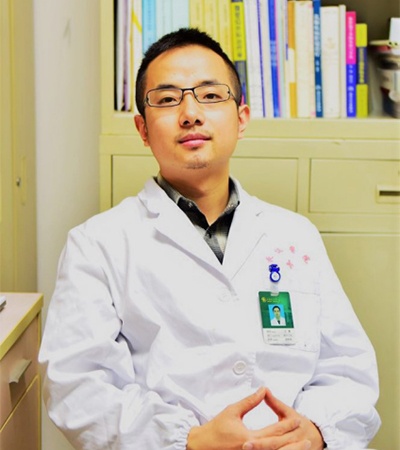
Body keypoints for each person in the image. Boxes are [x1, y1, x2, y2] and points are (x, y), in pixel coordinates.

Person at [39, 28, 380, 450]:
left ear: (241, 118)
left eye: (211, 95)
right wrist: (191, 440)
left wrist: (316, 432)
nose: (191, 114)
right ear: (142, 129)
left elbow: (347, 367)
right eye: (167, 99)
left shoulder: (295, 235)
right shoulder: (97, 245)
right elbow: (77, 388)